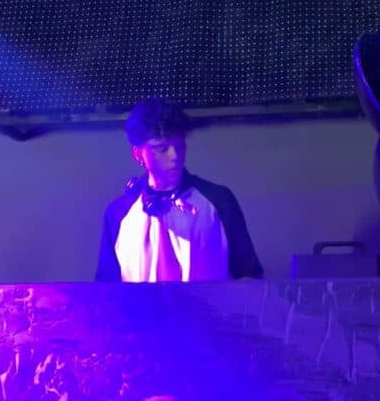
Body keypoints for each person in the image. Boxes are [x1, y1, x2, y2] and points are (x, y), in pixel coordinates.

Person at [96, 99, 263, 283]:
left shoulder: (219, 200)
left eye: (180, 145)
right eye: (162, 149)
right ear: (138, 154)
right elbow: (105, 289)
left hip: (207, 304)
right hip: (140, 304)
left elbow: (249, 278)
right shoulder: (118, 212)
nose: (175, 156)